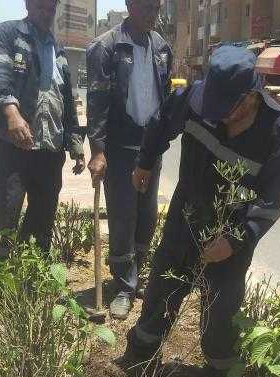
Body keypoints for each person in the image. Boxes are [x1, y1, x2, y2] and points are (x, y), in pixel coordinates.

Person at [124, 45, 280, 377]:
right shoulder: (195, 97)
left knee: (221, 306)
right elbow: (161, 122)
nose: (215, 117)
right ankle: (139, 356)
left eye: (226, 110)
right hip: (186, 216)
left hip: (228, 235)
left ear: (250, 97)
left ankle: (219, 376)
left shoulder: (277, 129)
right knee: (161, 287)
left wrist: (234, 240)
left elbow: (270, 201)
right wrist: (145, 160)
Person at [0, 0, 85, 282]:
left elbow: (67, 100)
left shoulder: (57, 48)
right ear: (27, 4)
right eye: (39, 7)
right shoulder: (8, 34)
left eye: (50, 9)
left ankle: (30, 274)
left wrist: (75, 143)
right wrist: (12, 113)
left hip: (49, 148)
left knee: (44, 210)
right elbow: (0, 75)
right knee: (6, 207)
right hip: (14, 146)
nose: (45, 14)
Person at [86, 0, 173, 320]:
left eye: (157, 7)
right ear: (129, 5)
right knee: (123, 216)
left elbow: (163, 97)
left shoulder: (162, 48)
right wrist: (98, 149)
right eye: (146, 6)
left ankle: (136, 273)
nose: (152, 13)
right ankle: (123, 284)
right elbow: (96, 100)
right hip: (120, 146)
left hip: (149, 147)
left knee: (147, 215)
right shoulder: (106, 47)